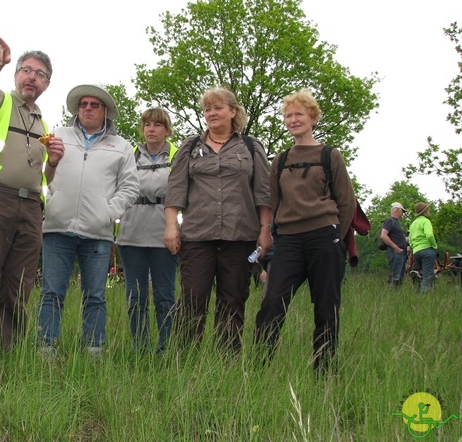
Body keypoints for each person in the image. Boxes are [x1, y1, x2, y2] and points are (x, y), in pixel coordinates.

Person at [0, 35, 63, 361]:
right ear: (17, 75)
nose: (32, 77)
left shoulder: (43, 122)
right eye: (26, 70)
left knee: (19, 287)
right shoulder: (0, 103)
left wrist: (55, 163)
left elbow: (46, 179)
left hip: (32, 205)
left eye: (40, 73)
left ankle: (8, 355)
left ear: (47, 83)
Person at [254, 89, 356, 376]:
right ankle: (259, 369)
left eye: (299, 114)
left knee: (326, 308)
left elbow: (346, 201)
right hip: (289, 241)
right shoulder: (282, 159)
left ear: (313, 117)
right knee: (272, 302)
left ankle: (323, 372)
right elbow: (274, 202)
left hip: (325, 238)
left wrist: (336, 235)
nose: (293, 119)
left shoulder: (329, 155)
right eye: (288, 115)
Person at [164, 87, 272, 353]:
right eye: (207, 109)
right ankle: (184, 362)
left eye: (218, 107)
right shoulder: (190, 147)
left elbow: (264, 192)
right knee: (192, 300)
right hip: (197, 237)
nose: (211, 113)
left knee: (233, 301)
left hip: (240, 236)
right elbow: (175, 190)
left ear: (233, 112)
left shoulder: (250, 146)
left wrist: (265, 230)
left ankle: (227, 365)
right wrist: (171, 227)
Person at [37, 85, 139, 356]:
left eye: (95, 104)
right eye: (83, 104)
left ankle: (94, 349)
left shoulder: (121, 146)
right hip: (57, 227)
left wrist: (107, 213)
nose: (88, 108)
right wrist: (53, 162)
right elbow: (42, 177)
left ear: (106, 111)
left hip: (98, 233)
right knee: (51, 293)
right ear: (77, 109)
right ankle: (46, 348)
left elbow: (130, 188)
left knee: (95, 296)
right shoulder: (57, 136)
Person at [116, 107, 179, 353]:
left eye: (157, 125)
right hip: (131, 235)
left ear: (166, 129)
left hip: (165, 235)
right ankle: (139, 348)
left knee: (165, 296)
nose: (151, 129)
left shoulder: (178, 154)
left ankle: (164, 349)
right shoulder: (129, 155)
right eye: (147, 124)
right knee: (135, 296)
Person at [408, 202, 437, 293]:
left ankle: (421, 290)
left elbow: (410, 239)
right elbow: (429, 235)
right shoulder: (425, 221)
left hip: (417, 251)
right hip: (427, 249)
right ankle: (424, 295)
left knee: (424, 273)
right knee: (427, 275)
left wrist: (414, 247)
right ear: (425, 211)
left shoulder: (413, 224)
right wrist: (434, 245)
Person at [379, 202, 408, 287]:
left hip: (401, 252)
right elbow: (383, 235)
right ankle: (391, 293)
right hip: (395, 252)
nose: (403, 213)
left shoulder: (397, 222)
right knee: (395, 276)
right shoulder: (389, 220)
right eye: (402, 210)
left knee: (400, 277)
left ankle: (397, 295)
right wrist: (395, 247)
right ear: (397, 210)